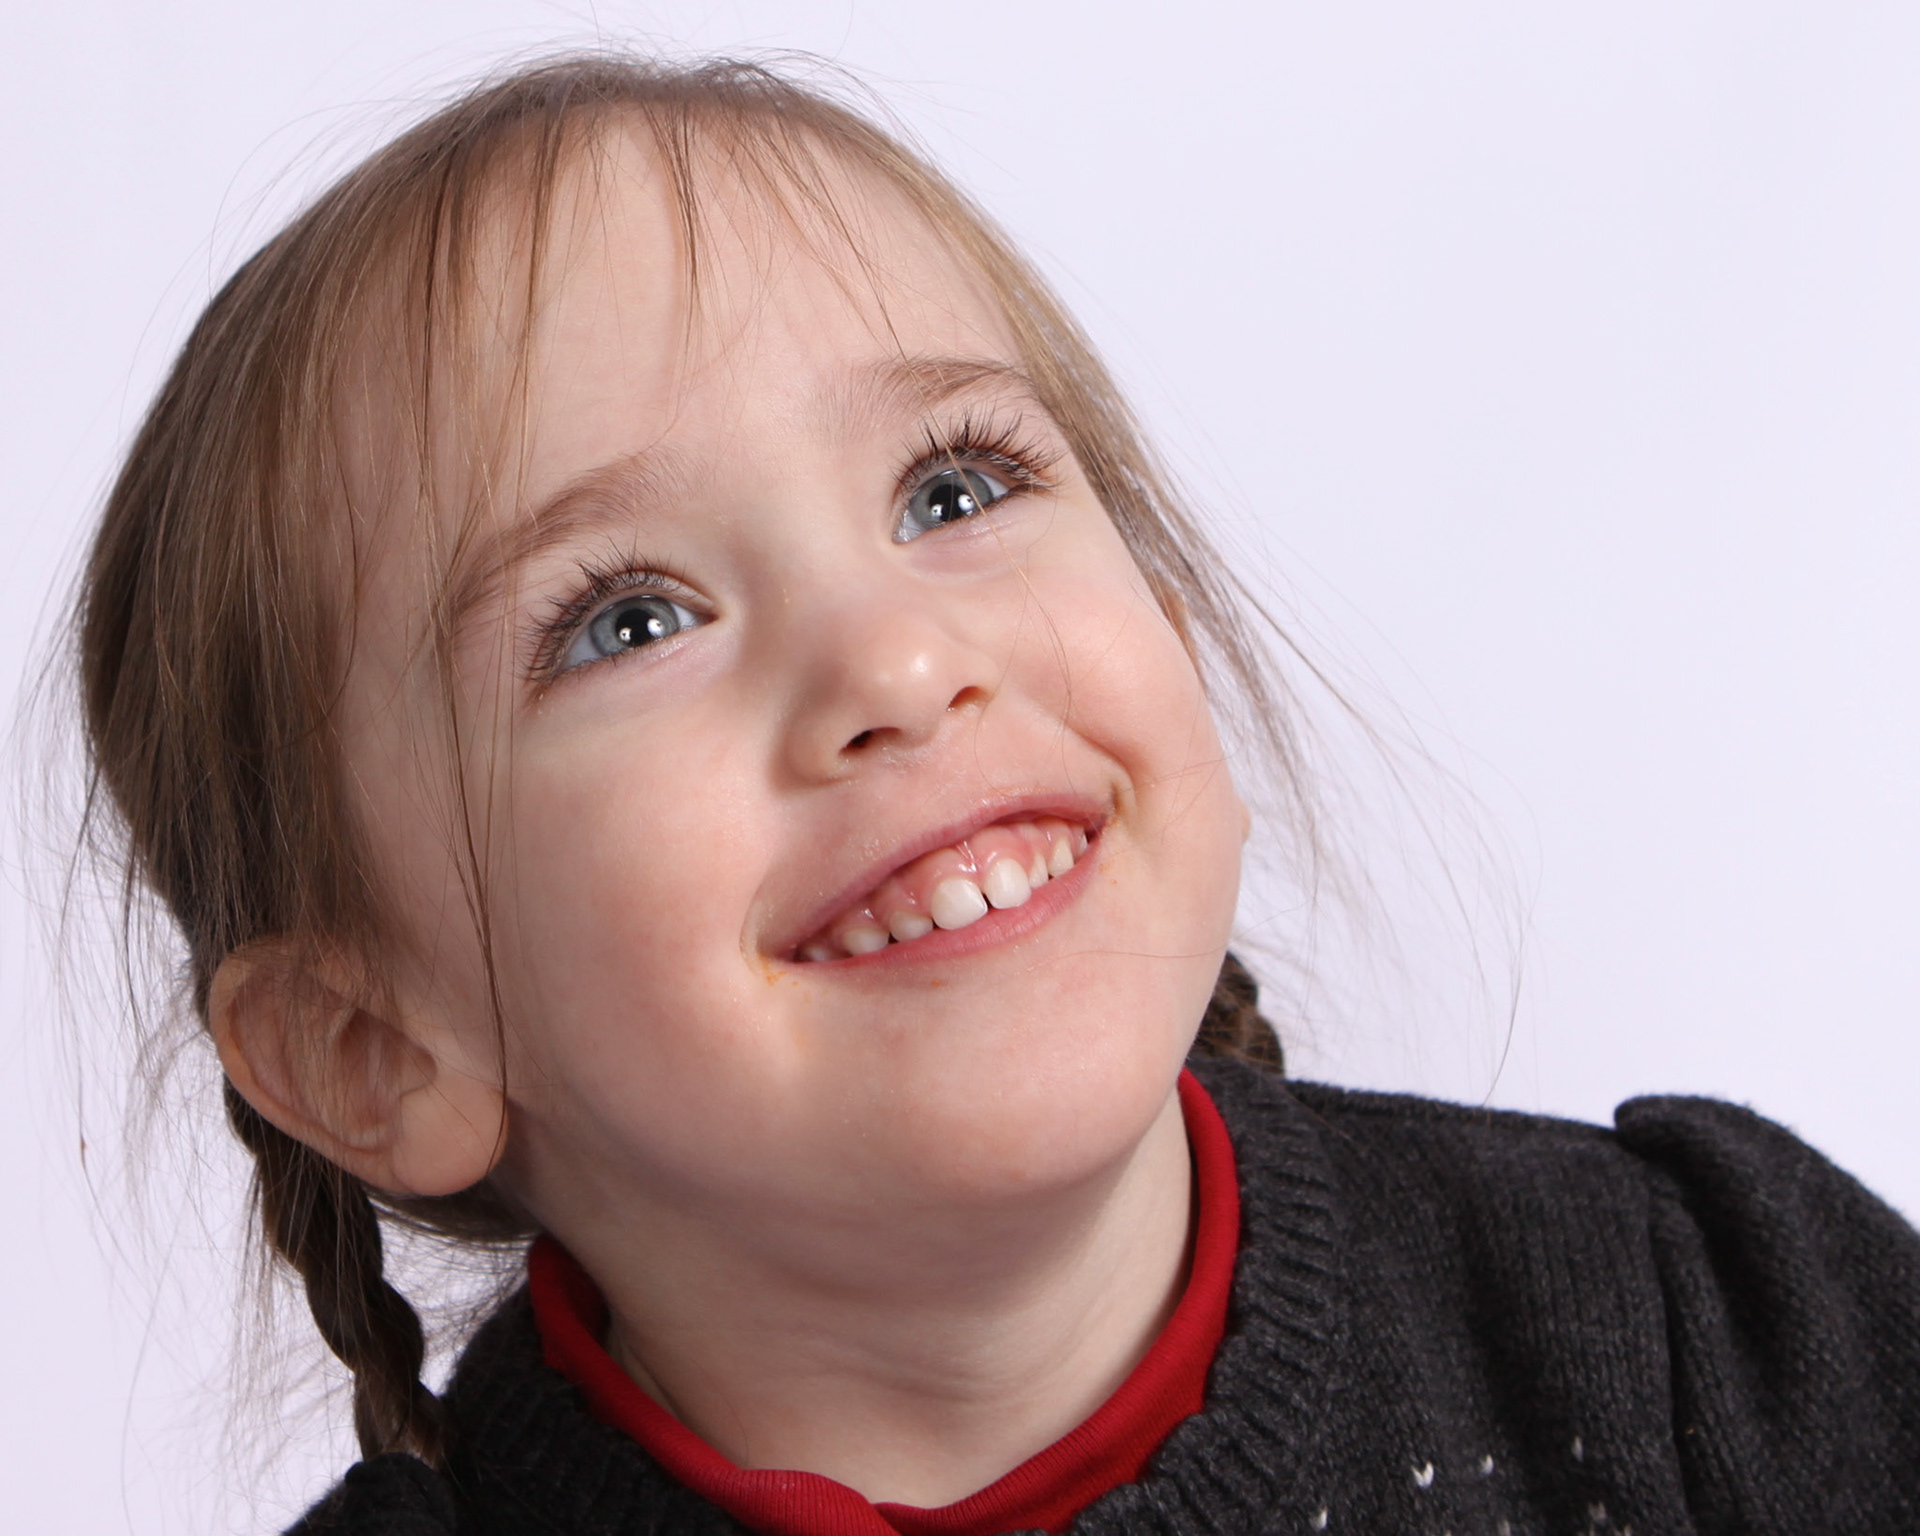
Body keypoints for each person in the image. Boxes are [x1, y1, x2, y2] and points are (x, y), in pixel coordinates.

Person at [75, 51, 1919, 1536]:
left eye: (953, 491)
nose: (896, 663)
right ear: (369, 1046)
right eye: (628, 619)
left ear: (1169, 635)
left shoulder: (1712, 1338)